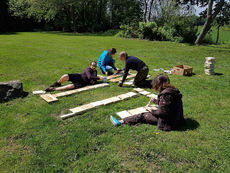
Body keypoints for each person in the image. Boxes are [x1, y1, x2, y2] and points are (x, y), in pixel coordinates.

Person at [110, 74, 185, 131]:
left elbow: (162, 113)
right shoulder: (173, 91)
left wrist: (151, 111)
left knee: (143, 115)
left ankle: (120, 121)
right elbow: (169, 105)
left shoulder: (165, 95)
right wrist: (156, 101)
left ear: (158, 84)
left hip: (169, 123)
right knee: (151, 111)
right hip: (177, 119)